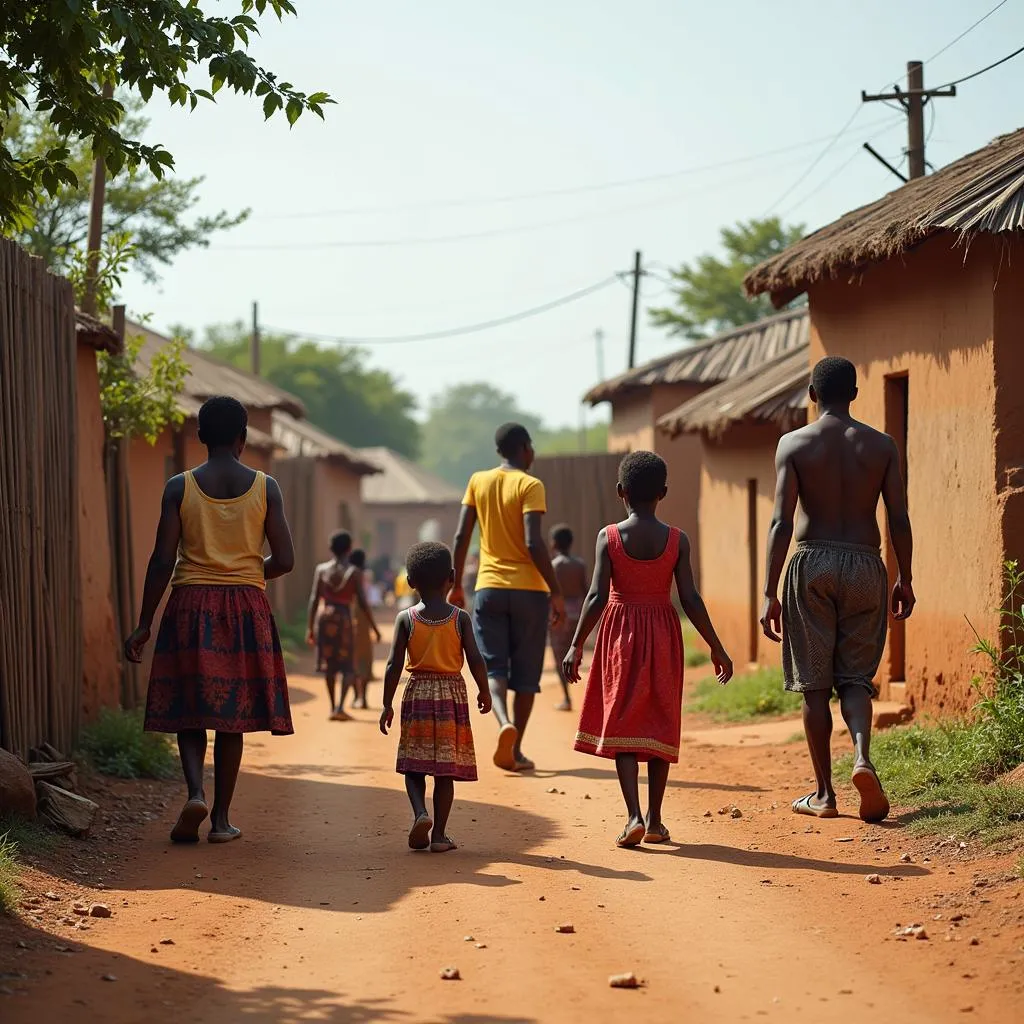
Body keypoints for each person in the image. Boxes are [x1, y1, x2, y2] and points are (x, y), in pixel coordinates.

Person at [125, 396, 295, 845]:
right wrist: (247, 572)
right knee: (231, 718)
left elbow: (162, 561)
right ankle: (220, 820)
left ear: (200, 436)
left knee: (190, 707)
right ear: (243, 438)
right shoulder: (267, 487)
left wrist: (144, 624)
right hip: (245, 607)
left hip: (189, 605)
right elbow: (288, 559)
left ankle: (195, 792)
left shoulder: (178, 487)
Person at [760, 356, 914, 824]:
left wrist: (769, 591)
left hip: (812, 563)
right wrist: (905, 576)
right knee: (855, 681)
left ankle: (825, 794)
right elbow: (899, 519)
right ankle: (863, 758)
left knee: (814, 686)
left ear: (811, 394)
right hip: (867, 564)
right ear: (855, 394)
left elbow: (781, 521)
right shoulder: (882, 445)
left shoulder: (794, 444)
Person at [564, 451, 732, 848]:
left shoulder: (608, 537)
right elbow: (689, 597)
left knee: (623, 719)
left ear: (620, 491)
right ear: (664, 492)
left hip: (620, 633)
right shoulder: (677, 540)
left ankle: (633, 816)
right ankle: (656, 820)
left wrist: (576, 645)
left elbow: (595, 596)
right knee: (659, 719)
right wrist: (716, 646)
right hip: (663, 633)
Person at [450, 423, 565, 773]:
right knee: (527, 676)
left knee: (495, 667)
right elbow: (533, 542)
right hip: (530, 592)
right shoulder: (531, 485)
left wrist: (455, 585)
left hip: (490, 589)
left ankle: (502, 722)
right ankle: (515, 749)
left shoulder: (478, 481)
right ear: (526, 449)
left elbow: (460, 536)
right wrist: (556, 591)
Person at [380, 542, 492, 852]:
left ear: (411, 581)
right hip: (451, 695)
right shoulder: (460, 618)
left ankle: (420, 813)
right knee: (445, 769)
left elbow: (392, 665)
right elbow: (476, 658)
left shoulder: (406, 618)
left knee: (413, 765)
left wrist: (387, 703)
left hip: (417, 694)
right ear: (452, 578)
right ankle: (440, 835)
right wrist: (484, 689)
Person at [306, 531, 381, 721]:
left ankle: (333, 707)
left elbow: (314, 599)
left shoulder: (321, 569)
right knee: (348, 666)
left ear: (331, 549)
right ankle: (340, 706)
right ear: (349, 549)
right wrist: (374, 628)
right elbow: (363, 603)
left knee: (329, 664)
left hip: (325, 618)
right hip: (344, 620)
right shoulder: (354, 572)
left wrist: (309, 627)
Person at [547, 524, 587, 712]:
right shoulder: (579, 564)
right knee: (574, 651)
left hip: (558, 614)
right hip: (578, 613)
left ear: (553, 543)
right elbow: (586, 590)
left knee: (559, 656)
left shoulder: (553, 566)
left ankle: (567, 698)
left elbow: (549, 594)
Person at [349, 549, 376, 709]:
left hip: (348, 616)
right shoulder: (365, 575)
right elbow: (366, 602)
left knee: (351, 658)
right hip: (363, 618)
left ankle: (355, 696)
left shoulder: (346, 574)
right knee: (365, 658)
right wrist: (375, 627)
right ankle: (363, 697)